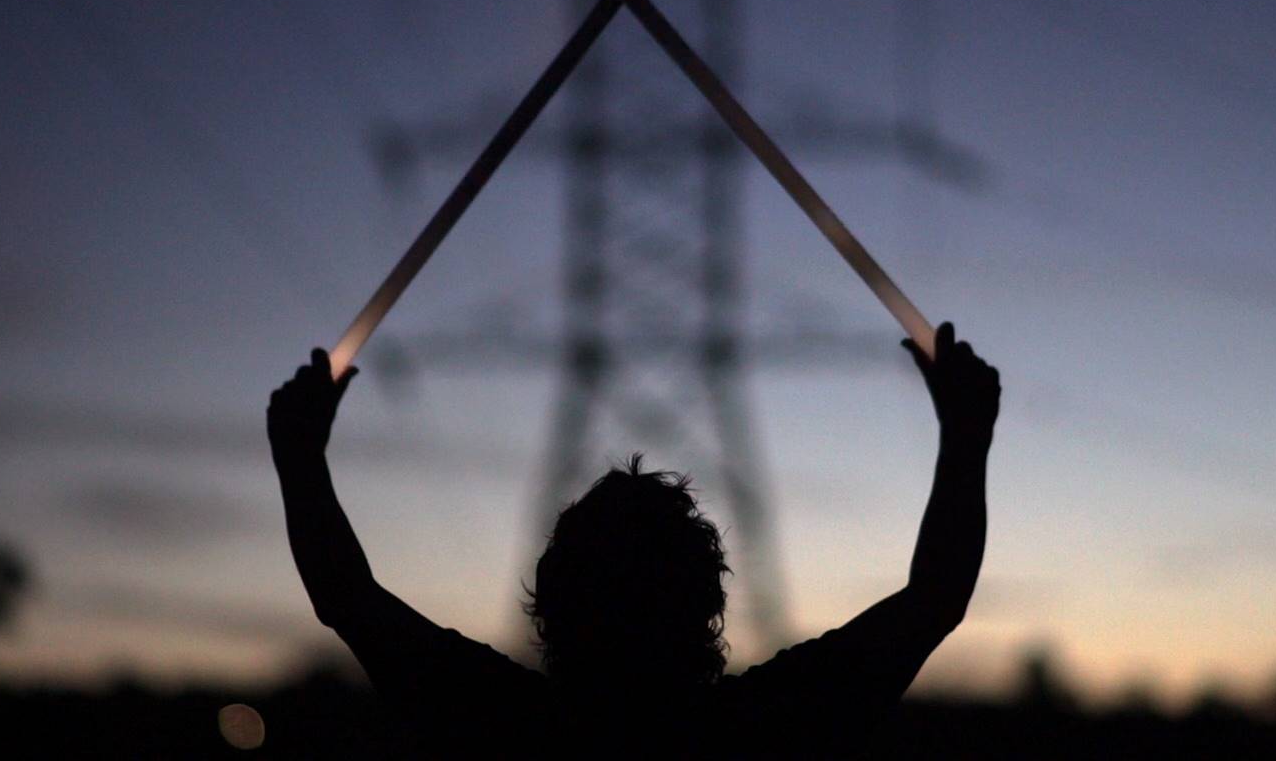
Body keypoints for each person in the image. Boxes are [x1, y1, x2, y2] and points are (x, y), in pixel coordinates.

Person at [268, 321, 999, 757]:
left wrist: (300, 459)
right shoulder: (764, 733)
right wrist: (965, 439)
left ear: (554, 602)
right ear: (705, 598)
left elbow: (348, 599)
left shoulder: (506, 730)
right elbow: (934, 599)